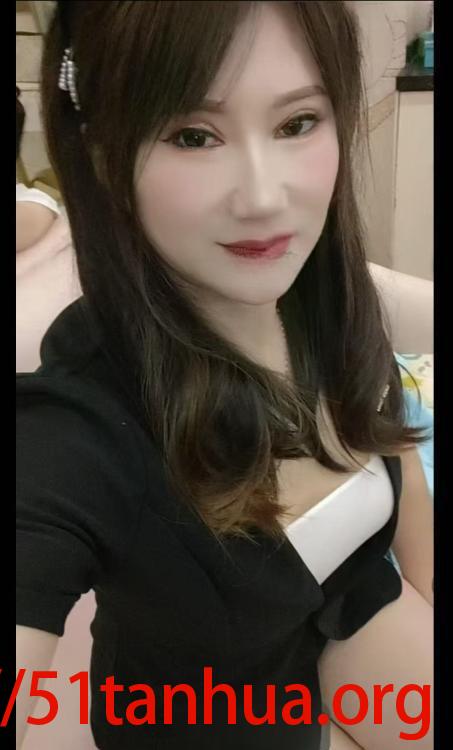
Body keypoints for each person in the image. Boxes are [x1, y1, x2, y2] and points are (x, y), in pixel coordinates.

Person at [16, 2, 433, 749]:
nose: (264, 198)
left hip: (361, 617)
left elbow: (389, 435)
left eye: (297, 122)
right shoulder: (80, 427)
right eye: (193, 135)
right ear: (102, 149)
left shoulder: (322, 295)